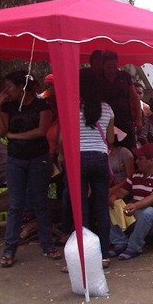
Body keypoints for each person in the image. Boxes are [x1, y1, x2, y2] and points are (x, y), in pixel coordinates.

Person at [0, 71, 56, 267]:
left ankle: (47, 245)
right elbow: (2, 131)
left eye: (10, 87)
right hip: (15, 160)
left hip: (38, 158)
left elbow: (41, 131)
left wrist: (16, 137)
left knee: (40, 202)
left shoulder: (41, 105)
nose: (7, 91)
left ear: (22, 87)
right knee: (15, 204)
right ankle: (9, 249)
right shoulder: (8, 105)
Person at [62, 70, 115, 269]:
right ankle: (104, 255)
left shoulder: (72, 108)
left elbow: (65, 138)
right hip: (100, 159)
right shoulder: (107, 109)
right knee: (101, 208)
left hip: (78, 159)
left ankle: (83, 256)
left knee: (81, 208)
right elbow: (110, 140)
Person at [108, 143, 153, 261]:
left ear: (151, 161)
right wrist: (114, 198)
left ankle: (134, 247)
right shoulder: (137, 175)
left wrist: (136, 205)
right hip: (136, 216)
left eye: (141, 159)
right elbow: (121, 192)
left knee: (148, 212)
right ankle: (120, 242)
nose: (136, 162)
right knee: (111, 204)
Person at [101, 50, 142, 149]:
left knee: (130, 148)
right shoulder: (98, 78)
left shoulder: (124, 76)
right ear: (103, 66)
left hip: (125, 119)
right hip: (105, 121)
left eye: (114, 67)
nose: (112, 71)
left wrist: (139, 119)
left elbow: (134, 98)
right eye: (108, 68)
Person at [108, 127, 135, 200]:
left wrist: (114, 189)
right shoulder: (102, 152)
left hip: (123, 189)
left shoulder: (124, 152)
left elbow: (130, 177)